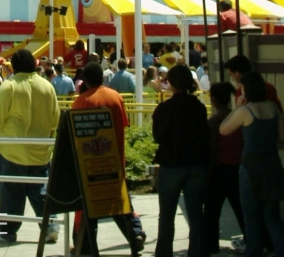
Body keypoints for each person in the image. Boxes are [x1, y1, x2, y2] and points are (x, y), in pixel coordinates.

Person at [0, 47, 60, 243]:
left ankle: (7, 231)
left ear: (14, 66)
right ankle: (51, 226)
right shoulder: (47, 87)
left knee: (11, 193)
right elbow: (54, 122)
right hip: (40, 150)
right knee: (41, 192)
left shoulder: (9, 86)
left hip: (11, 150)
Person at [71, 62, 146, 254]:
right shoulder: (116, 97)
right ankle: (135, 232)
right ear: (103, 77)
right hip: (115, 159)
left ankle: (85, 245)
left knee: (90, 207)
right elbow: (124, 124)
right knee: (120, 202)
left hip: (90, 162)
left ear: (84, 80)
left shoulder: (82, 101)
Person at [219, 71, 284, 257]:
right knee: (273, 217)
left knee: (251, 218)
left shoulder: (245, 110)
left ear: (246, 89)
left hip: (250, 167)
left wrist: (236, 107)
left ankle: (254, 252)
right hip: (272, 164)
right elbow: (283, 137)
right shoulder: (273, 107)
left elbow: (223, 129)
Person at [151, 62, 210, 257]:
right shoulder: (199, 108)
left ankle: (164, 253)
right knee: (196, 214)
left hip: (171, 163)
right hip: (196, 164)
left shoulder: (164, 108)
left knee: (166, 215)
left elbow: (158, 136)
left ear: (170, 82)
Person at [205, 82, 245, 255]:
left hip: (218, 170)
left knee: (211, 211)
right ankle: (252, 240)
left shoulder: (213, 122)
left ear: (213, 100)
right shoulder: (238, 117)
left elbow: (211, 148)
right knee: (241, 209)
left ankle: (210, 245)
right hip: (237, 168)